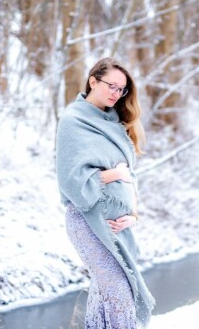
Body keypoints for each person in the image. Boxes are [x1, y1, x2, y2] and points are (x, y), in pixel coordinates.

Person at [56, 57, 155, 328]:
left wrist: (132, 214)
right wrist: (114, 174)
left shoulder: (114, 123)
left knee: (103, 295)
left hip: (118, 225)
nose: (116, 93)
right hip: (87, 220)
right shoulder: (73, 120)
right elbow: (70, 181)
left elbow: (130, 178)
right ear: (92, 81)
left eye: (121, 89)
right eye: (112, 86)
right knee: (119, 292)